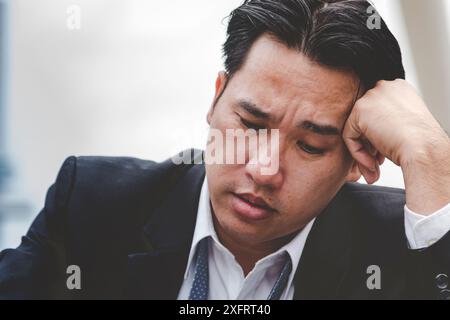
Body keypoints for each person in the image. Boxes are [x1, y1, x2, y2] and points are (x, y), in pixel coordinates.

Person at [1, 0, 449, 300]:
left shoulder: (404, 245)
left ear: (358, 157)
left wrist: (431, 155)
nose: (264, 170)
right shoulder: (93, 203)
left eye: (310, 145)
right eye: (251, 125)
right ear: (216, 98)